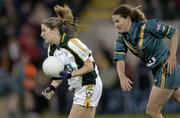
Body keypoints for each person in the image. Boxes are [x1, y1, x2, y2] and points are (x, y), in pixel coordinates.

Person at [112, 4, 180, 118]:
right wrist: (122, 76)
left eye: (118, 21)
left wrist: (172, 57)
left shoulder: (148, 26)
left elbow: (174, 32)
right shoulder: (122, 38)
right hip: (157, 70)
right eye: (114, 22)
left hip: (166, 68)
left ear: (128, 18)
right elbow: (119, 59)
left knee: (151, 111)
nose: (115, 25)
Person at [40, 4, 102, 118]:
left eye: (44, 30)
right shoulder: (51, 50)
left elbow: (89, 67)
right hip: (80, 86)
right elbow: (60, 74)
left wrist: (70, 75)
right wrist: (52, 88)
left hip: (89, 84)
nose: (41, 34)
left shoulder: (72, 43)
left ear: (54, 30)